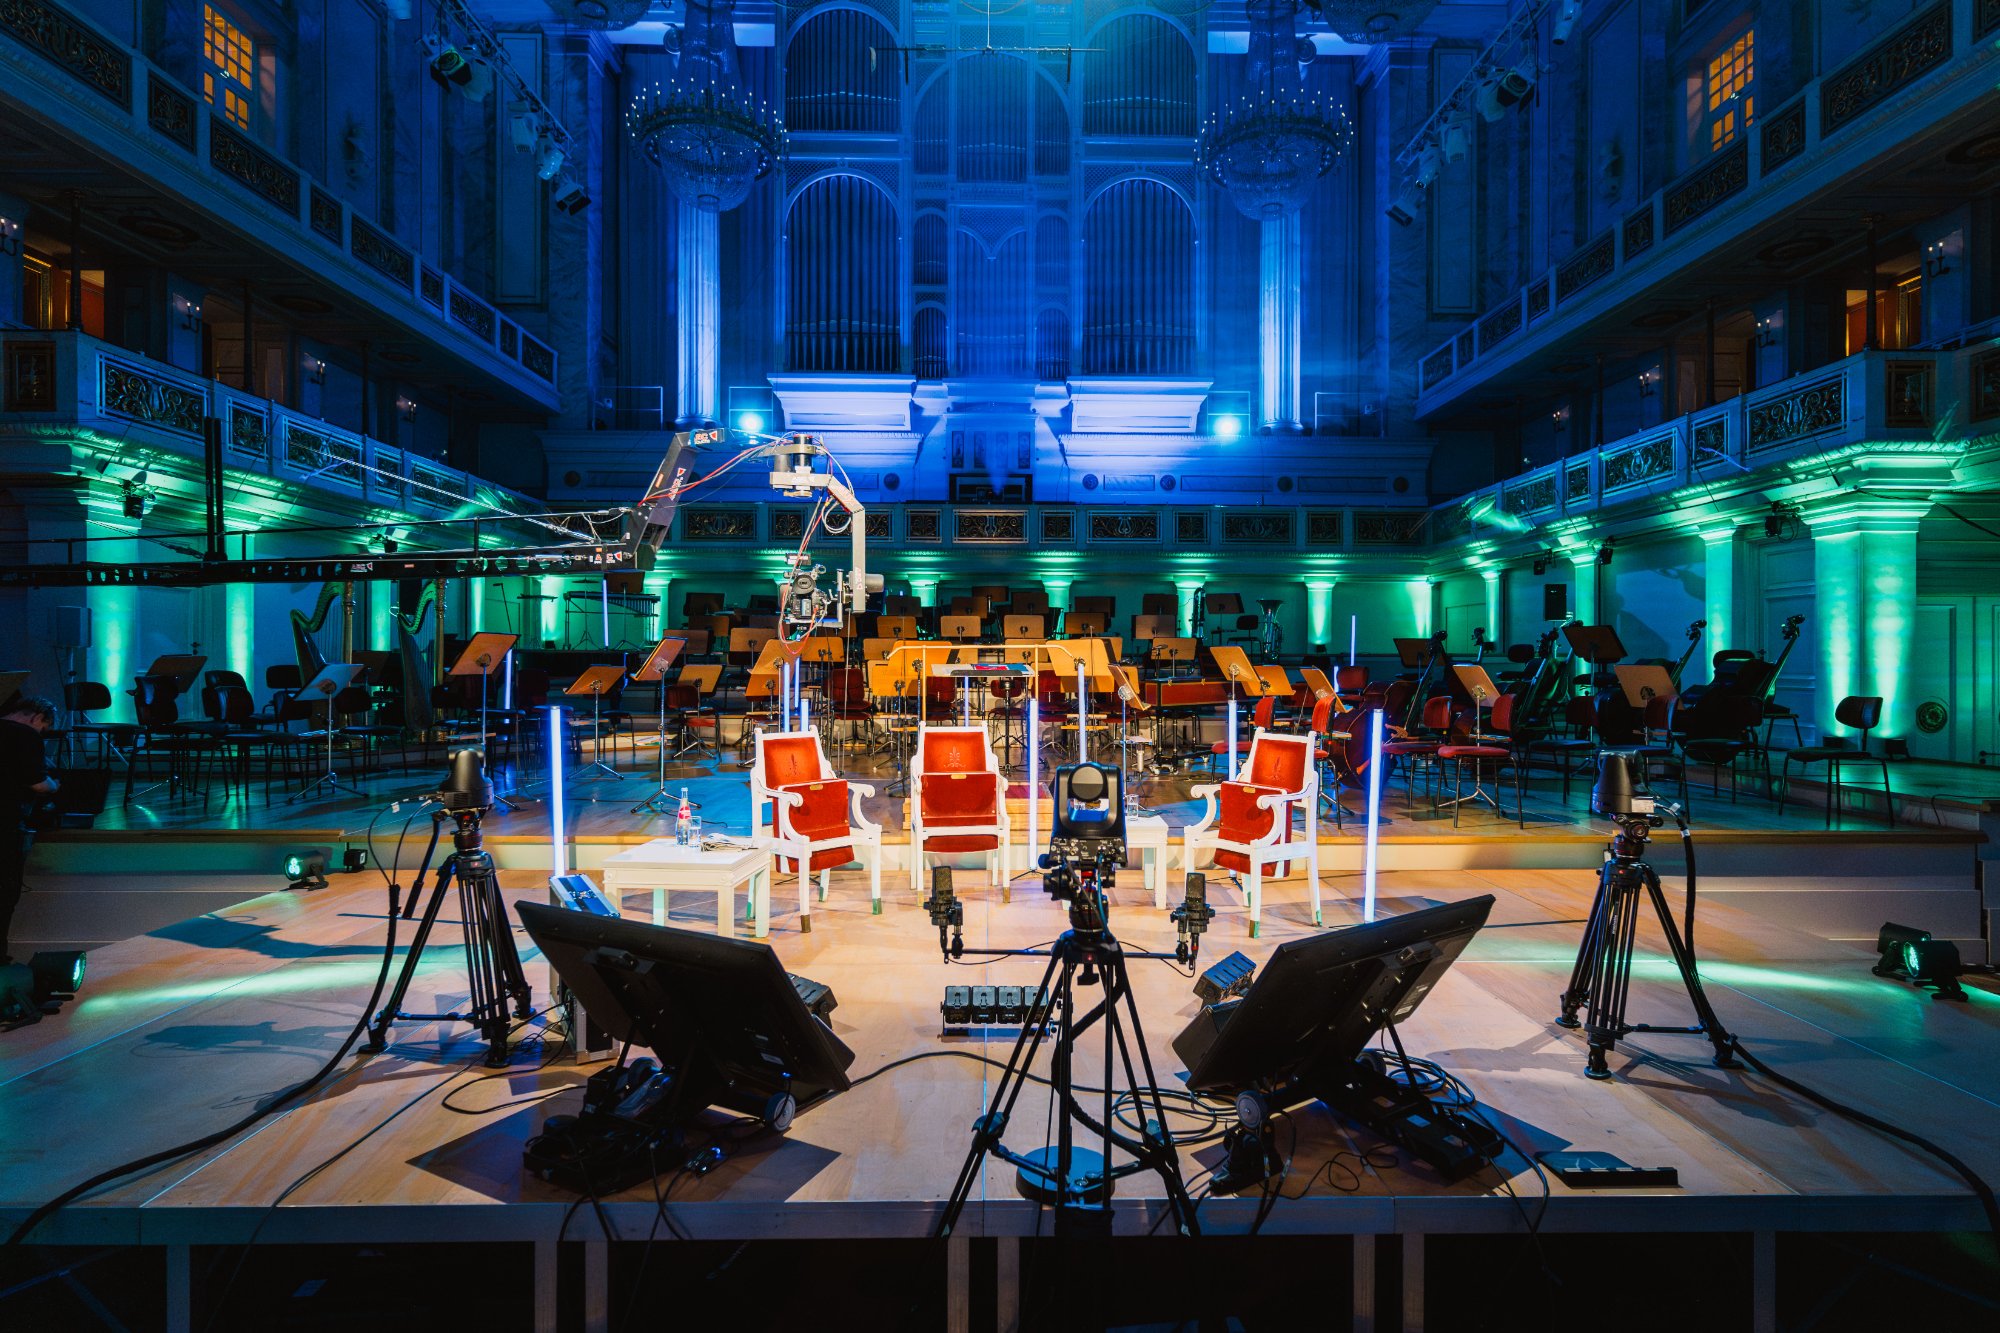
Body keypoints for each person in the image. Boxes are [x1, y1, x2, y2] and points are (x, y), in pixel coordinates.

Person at [0, 695, 59, 964]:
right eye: (43, 729)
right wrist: (55, 784)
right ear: (36, 717)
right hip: (5, 824)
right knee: (4, 892)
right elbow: (38, 784)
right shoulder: (23, 735)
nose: (42, 735)